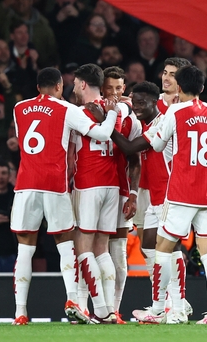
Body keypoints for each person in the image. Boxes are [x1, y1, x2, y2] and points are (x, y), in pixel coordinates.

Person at [10, 67, 118, 325]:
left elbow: (23, 140)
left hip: (25, 185)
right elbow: (102, 134)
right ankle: (72, 300)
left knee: (24, 249)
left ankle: (20, 312)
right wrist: (112, 113)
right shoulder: (67, 109)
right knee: (65, 244)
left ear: (38, 87)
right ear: (59, 86)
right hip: (54, 185)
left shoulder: (19, 108)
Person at [131, 65, 207, 324]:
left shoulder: (175, 111)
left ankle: (157, 309)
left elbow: (156, 144)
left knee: (162, 250)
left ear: (179, 86)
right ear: (202, 87)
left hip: (180, 194)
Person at [107, 81, 192, 324]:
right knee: (151, 247)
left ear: (156, 102)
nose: (138, 107)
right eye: (135, 102)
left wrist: (106, 123)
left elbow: (130, 147)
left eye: (143, 103)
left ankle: (178, 306)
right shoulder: (148, 123)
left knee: (170, 249)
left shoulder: (163, 122)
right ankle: (161, 307)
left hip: (169, 195)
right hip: (155, 196)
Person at [69, 64, 126, 324]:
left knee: (83, 247)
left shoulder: (79, 113)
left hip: (88, 183)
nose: (73, 89)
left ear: (82, 84)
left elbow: (71, 155)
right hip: (112, 184)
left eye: (74, 84)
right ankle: (108, 308)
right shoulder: (118, 109)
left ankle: (100, 309)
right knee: (102, 249)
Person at [101, 66, 141, 323]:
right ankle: (92, 307)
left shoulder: (130, 120)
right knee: (90, 251)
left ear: (124, 89)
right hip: (90, 189)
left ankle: (114, 309)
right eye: (110, 88)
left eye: (119, 88)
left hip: (121, 191)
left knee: (118, 256)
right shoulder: (90, 114)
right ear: (101, 88)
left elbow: (135, 160)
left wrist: (134, 194)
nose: (114, 93)